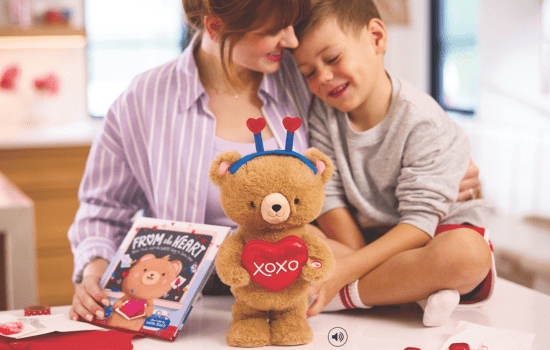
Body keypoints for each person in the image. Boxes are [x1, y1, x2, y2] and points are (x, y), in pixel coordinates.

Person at [68, 0, 481, 324]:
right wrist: (94, 271)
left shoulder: (304, 81)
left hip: (304, 285)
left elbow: (372, 137)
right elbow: (103, 210)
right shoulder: (144, 100)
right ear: (215, 26)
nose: (290, 40)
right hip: (198, 305)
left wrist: (448, 166)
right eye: (272, 30)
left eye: (291, 22)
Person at [292, 0, 495, 327]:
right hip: (364, 241)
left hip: (428, 237)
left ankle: (345, 297)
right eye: (309, 73)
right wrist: (355, 257)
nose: (324, 78)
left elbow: (419, 224)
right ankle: (411, 292)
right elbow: (327, 195)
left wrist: (345, 270)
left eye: (332, 59)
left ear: (376, 37)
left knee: (467, 254)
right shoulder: (322, 114)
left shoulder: (422, 121)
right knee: (290, 233)